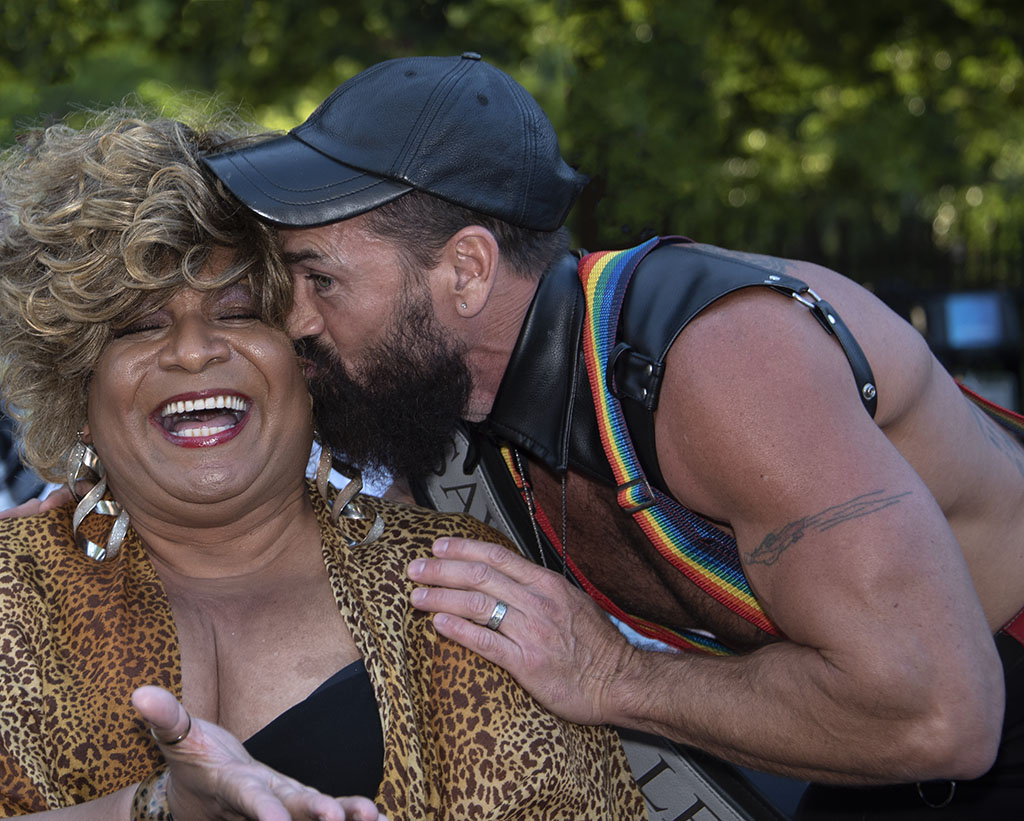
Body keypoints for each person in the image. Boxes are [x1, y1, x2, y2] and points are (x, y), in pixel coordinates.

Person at [202, 53, 1024, 816]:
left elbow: (943, 714)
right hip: (870, 743)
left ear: (466, 271)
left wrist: (609, 673)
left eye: (319, 277)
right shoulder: (441, 396)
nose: (297, 318)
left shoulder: (721, 363)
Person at [0, 109, 645, 819]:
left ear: (310, 363)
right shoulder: (13, 590)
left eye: (241, 313)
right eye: (140, 326)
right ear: (79, 392)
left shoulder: (457, 587)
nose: (192, 352)